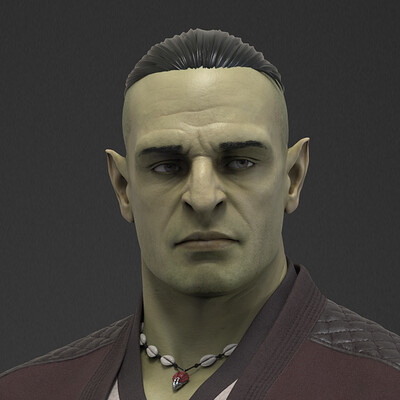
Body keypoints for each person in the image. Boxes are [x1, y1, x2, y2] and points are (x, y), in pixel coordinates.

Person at [1, 28, 399, 400]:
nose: (203, 197)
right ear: (123, 187)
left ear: (292, 178)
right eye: (167, 166)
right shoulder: (26, 391)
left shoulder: (384, 382)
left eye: (240, 162)